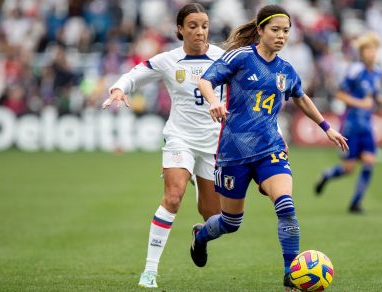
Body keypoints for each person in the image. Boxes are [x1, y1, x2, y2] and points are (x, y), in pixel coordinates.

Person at [188, 5, 348, 291]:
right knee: (230, 222)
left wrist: (327, 127)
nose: (281, 36)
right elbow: (205, 80)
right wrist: (214, 101)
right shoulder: (241, 57)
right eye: (275, 30)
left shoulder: (286, 70)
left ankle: (290, 274)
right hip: (233, 153)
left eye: (286, 31)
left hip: (270, 149)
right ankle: (201, 236)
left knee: (285, 204)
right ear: (260, 30)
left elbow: (300, 97)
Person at [101, 3, 224, 288]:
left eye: (204, 25)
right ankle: (150, 271)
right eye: (192, 26)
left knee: (216, 219)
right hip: (180, 138)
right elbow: (135, 73)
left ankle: (199, 236)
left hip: (214, 143)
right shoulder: (169, 60)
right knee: (172, 197)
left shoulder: (222, 57)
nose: (199, 32)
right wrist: (119, 88)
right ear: (180, 29)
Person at [314, 32, 382, 213]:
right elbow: (339, 94)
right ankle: (325, 176)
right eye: (368, 49)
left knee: (369, 162)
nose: (372, 53)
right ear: (361, 52)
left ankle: (355, 203)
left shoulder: (377, 73)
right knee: (348, 168)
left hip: (366, 126)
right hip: (351, 125)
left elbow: (373, 97)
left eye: (374, 49)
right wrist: (360, 103)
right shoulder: (355, 71)